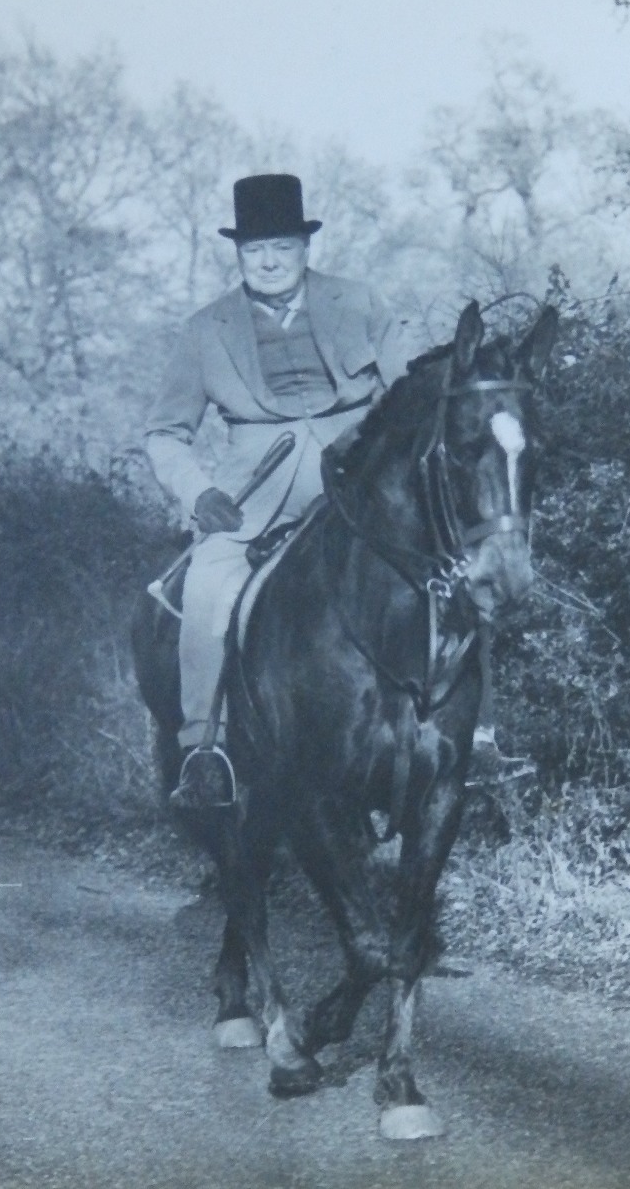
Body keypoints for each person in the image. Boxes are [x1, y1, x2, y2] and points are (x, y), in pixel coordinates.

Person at [144, 174, 406, 796]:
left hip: (359, 478)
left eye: (282, 247)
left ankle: (475, 740)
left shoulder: (361, 303)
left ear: (305, 249)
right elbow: (164, 432)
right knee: (207, 585)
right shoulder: (205, 330)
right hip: (253, 496)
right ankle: (203, 751)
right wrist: (199, 492)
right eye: (254, 249)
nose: (268, 260)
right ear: (238, 254)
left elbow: (408, 398)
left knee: (453, 565)